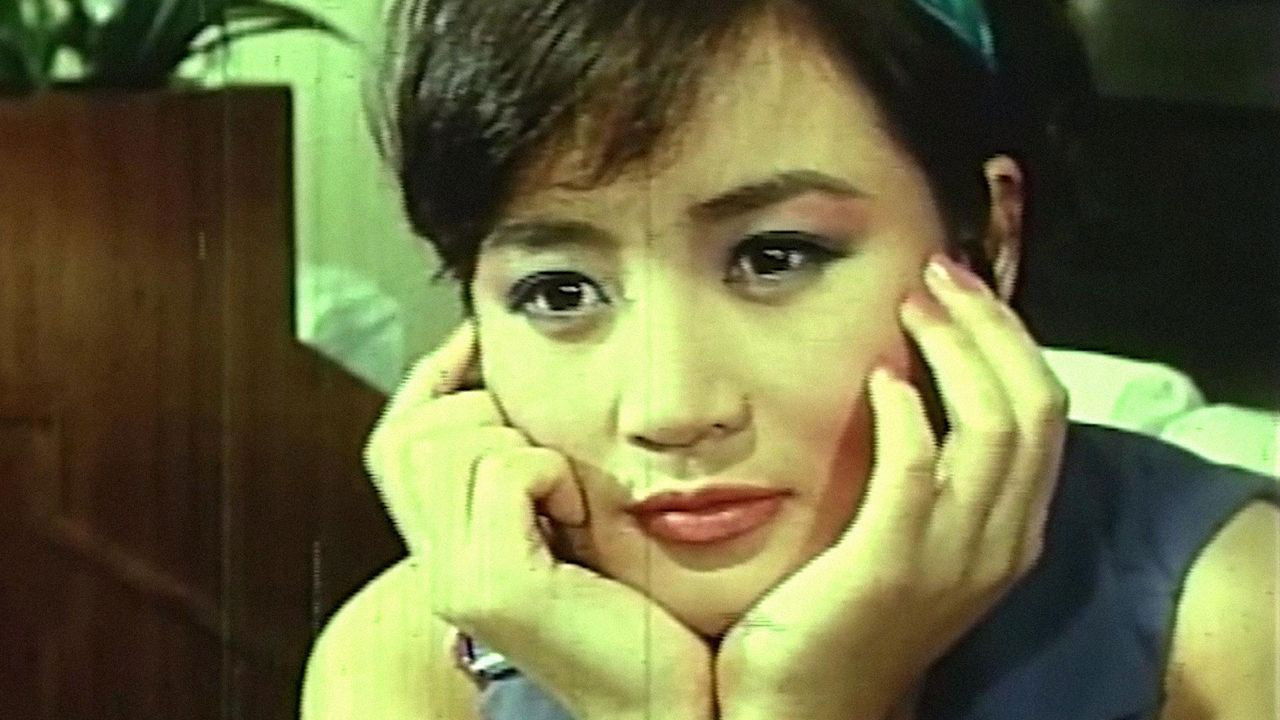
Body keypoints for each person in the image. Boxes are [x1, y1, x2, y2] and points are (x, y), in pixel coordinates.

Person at [301, 1, 1279, 718]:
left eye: (775, 257)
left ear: (988, 236)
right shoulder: (416, 661)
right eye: (560, 292)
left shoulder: (1229, 621)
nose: (671, 406)